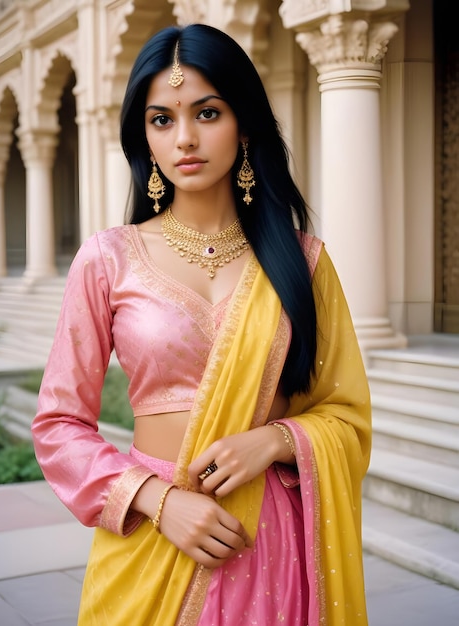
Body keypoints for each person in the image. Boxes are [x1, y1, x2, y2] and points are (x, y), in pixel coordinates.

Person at [31, 23, 371, 626]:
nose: (184, 138)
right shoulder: (108, 259)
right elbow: (59, 425)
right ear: (145, 137)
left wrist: (278, 439)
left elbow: (344, 414)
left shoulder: (304, 263)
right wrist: (159, 500)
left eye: (207, 113)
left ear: (243, 124)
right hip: (152, 537)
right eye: (162, 119)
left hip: (267, 540)